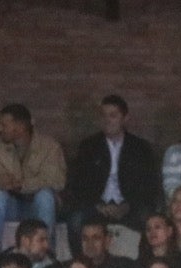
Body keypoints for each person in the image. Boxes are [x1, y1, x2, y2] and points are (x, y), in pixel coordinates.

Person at [68, 93, 159, 236]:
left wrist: (126, 206)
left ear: (125, 118)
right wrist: (98, 206)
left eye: (113, 115)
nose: (107, 120)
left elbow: (149, 186)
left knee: (149, 220)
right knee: (76, 220)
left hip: (130, 206)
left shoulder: (140, 148)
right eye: (104, 116)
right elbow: (78, 184)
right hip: (97, 206)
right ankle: (80, 259)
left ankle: (150, 259)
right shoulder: (89, 146)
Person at [0, 103, 65, 253]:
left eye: (4, 124)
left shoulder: (50, 146)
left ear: (21, 126)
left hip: (38, 205)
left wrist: (22, 185)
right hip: (13, 204)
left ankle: (47, 251)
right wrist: (3, 182)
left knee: (46, 196)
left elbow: (57, 180)